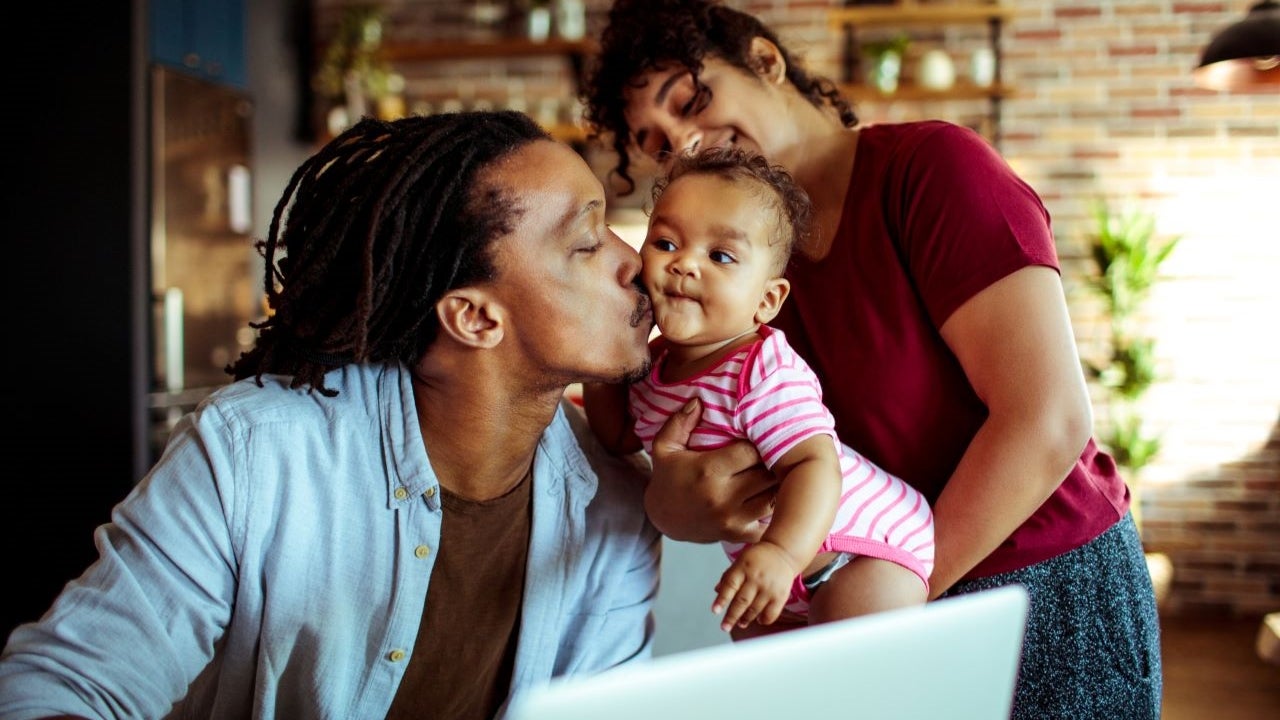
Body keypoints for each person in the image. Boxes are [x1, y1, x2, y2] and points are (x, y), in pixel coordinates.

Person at [580, 1, 1162, 718]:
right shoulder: (730, 284)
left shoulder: (932, 170)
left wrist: (893, 605)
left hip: (1040, 586)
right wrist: (681, 506)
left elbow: (1047, 421)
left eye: (691, 101)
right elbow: (721, 462)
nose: (688, 142)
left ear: (766, 61)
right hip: (864, 601)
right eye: (658, 143)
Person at [0, 111, 661, 720]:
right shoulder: (253, 455)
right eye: (586, 243)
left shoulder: (620, 500)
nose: (635, 262)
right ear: (475, 317)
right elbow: (59, 686)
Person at [584, 146, 933, 636]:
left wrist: (781, 552)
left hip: (861, 548)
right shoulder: (649, 366)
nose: (685, 265)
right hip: (770, 566)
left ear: (767, 300)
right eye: (665, 244)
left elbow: (815, 463)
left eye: (721, 256)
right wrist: (602, 362)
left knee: (845, 670)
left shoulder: (762, 369)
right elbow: (617, 436)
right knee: (768, 679)